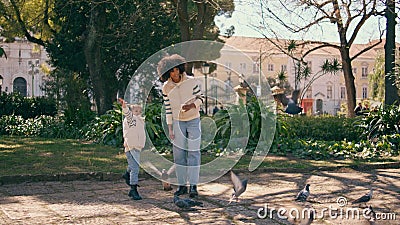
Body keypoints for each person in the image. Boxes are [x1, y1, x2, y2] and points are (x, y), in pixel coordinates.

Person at [158, 54, 204, 198]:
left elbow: (201, 98)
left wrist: (193, 105)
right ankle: (182, 185)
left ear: (181, 68)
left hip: (193, 120)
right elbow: (168, 109)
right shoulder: (166, 88)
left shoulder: (191, 81)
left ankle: (194, 186)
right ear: (167, 72)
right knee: (179, 155)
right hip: (177, 122)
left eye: (177, 69)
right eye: (172, 71)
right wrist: (170, 128)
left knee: (193, 153)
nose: (175, 73)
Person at [118, 98, 146, 200]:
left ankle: (126, 174)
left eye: (139, 111)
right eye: (135, 111)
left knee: (133, 165)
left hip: (137, 147)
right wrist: (124, 106)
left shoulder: (140, 121)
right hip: (131, 147)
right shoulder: (131, 120)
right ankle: (133, 189)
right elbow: (127, 114)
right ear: (132, 111)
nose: (137, 113)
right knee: (135, 168)